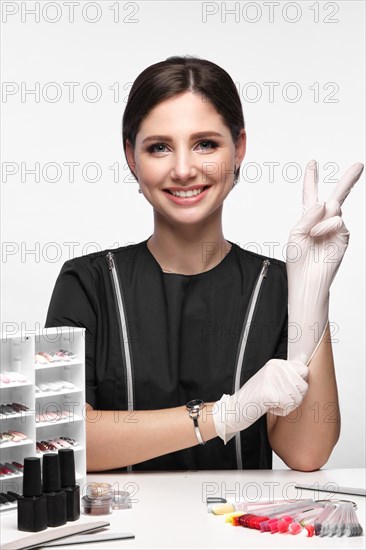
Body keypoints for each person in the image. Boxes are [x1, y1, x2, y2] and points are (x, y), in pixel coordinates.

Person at [45, 55, 363, 473]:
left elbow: (307, 453)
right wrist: (224, 416)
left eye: (205, 144)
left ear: (239, 149)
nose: (183, 169)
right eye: (159, 147)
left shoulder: (279, 286)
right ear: (131, 157)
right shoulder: (85, 283)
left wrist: (311, 300)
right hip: (118, 533)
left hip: (235, 532)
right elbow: (61, 441)